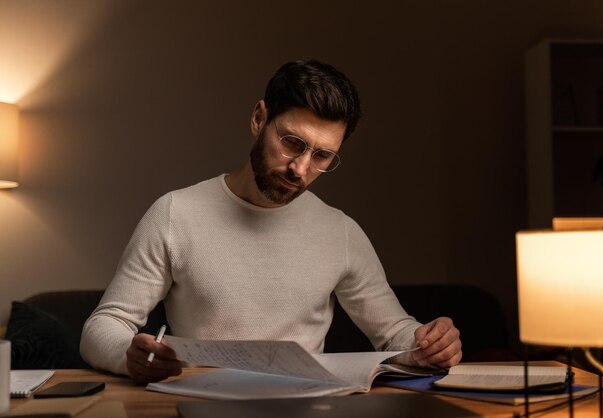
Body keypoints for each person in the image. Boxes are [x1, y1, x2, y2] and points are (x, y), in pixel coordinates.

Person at [80, 60, 462, 384]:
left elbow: (395, 334)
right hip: (203, 402)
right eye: (292, 143)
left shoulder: (340, 231)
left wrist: (428, 342)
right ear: (259, 118)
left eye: (322, 156)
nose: (300, 169)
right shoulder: (174, 214)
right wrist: (128, 355)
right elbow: (103, 326)